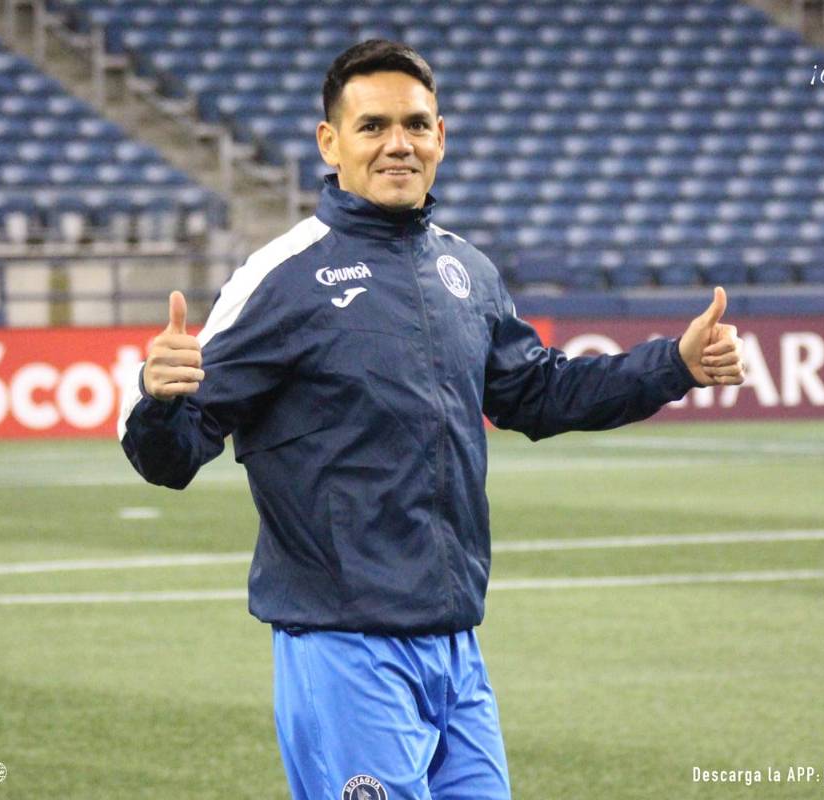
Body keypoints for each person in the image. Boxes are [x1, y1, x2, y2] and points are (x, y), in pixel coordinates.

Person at [119, 39, 745, 800]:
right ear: (331, 142)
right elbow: (172, 454)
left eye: (415, 125)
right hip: (344, 646)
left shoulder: (466, 270)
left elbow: (540, 394)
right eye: (373, 126)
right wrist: (160, 400)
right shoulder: (283, 276)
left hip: (455, 646)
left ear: (440, 136)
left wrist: (672, 365)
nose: (397, 145)